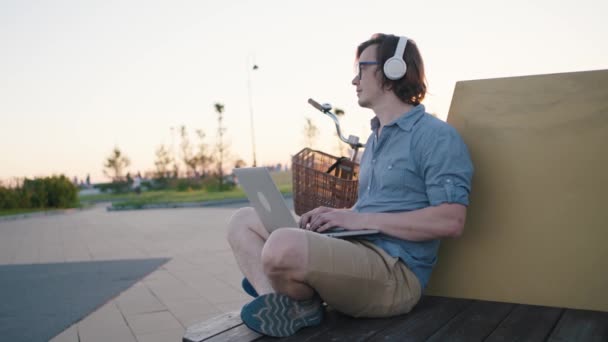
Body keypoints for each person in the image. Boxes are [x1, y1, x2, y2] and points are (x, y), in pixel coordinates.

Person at [226, 33, 474, 337]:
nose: (354, 80)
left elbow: (451, 221)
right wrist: (337, 216)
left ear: (391, 70)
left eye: (361, 69)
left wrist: (358, 218)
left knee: (280, 246)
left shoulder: (436, 136)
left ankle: (293, 293)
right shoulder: (376, 139)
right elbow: (371, 208)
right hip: (355, 247)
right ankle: (281, 300)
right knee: (243, 221)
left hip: (394, 273)